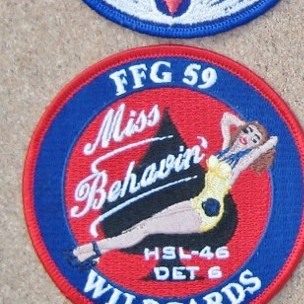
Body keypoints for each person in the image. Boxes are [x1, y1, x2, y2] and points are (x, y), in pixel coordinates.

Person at [71, 112, 277, 266]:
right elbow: (225, 118)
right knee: (143, 223)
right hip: (195, 202)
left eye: (253, 139)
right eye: (248, 132)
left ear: (254, 147)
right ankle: (94, 253)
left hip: (206, 213)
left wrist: (264, 144)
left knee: (146, 229)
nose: (247, 137)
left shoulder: (240, 163)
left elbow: (267, 145)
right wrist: (243, 125)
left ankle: (89, 249)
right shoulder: (225, 149)